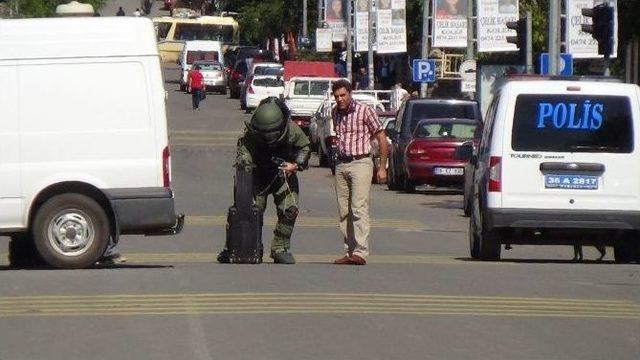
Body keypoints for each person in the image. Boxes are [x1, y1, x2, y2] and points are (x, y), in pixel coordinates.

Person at [233, 97, 311, 264]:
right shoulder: (251, 134)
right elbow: (244, 150)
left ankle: (280, 247)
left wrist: (295, 165)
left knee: (290, 209)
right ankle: (251, 246)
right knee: (251, 212)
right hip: (257, 176)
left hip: (283, 175)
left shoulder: (292, 130)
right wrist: (245, 163)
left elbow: (304, 147)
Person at [330, 80, 388, 265]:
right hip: (341, 164)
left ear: (350, 94)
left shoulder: (365, 110)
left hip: (361, 162)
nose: (339, 99)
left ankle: (361, 252)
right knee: (344, 211)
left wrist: (382, 167)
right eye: (337, 96)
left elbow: (381, 136)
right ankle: (350, 251)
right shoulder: (335, 113)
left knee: (358, 207)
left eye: (343, 95)